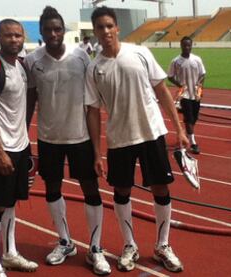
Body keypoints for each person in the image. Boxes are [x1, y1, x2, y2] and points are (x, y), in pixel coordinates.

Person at [85, 6, 189, 273]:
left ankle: (162, 245)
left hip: (152, 133)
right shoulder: (95, 67)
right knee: (121, 191)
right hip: (120, 139)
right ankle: (130, 245)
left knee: (161, 189)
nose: (106, 31)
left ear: (117, 27)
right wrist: (97, 152)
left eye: (110, 26)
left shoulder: (140, 53)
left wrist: (179, 129)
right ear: (94, 31)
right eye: (100, 27)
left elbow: (161, 90)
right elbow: (93, 111)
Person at [25, 6, 111, 275]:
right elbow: (29, 101)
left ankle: (95, 248)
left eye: (58, 28)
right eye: (48, 29)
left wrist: (98, 150)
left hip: (80, 137)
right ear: (41, 32)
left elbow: (93, 102)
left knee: (91, 191)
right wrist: (24, 138)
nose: (53, 33)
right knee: (52, 190)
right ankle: (65, 241)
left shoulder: (81, 57)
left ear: (64, 30)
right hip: (49, 138)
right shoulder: (32, 61)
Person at [0, 19, 38, 277]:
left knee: (12, 202)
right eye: (8, 35)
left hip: (20, 146)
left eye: (18, 35)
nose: (14, 39)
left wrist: (25, 143)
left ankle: (10, 253)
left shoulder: (22, 67)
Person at [167, 36, 206, 154]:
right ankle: (193, 143)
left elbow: (203, 74)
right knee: (189, 119)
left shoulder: (197, 59)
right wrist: (179, 85)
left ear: (191, 45)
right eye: (184, 45)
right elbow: (170, 76)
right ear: (181, 46)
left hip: (196, 94)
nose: (187, 47)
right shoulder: (176, 61)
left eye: (189, 45)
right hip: (184, 95)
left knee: (194, 118)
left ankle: (187, 132)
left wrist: (199, 84)